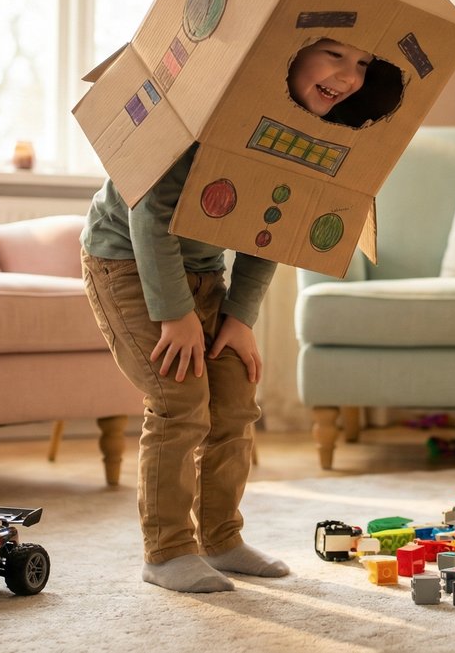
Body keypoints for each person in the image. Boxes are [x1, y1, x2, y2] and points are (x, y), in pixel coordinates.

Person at [80, 37, 374, 592]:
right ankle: (166, 551)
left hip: (202, 270)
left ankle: (221, 539)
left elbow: (270, 229)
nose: (350, 76)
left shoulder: (305, 138)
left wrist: (239, 318)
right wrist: (175, 315)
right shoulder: (202, 111)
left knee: (236, 399)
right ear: (291, 51)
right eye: (336, 55)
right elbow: (149, 212)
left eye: (361, 64)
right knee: (178, 400)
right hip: (127, 261)